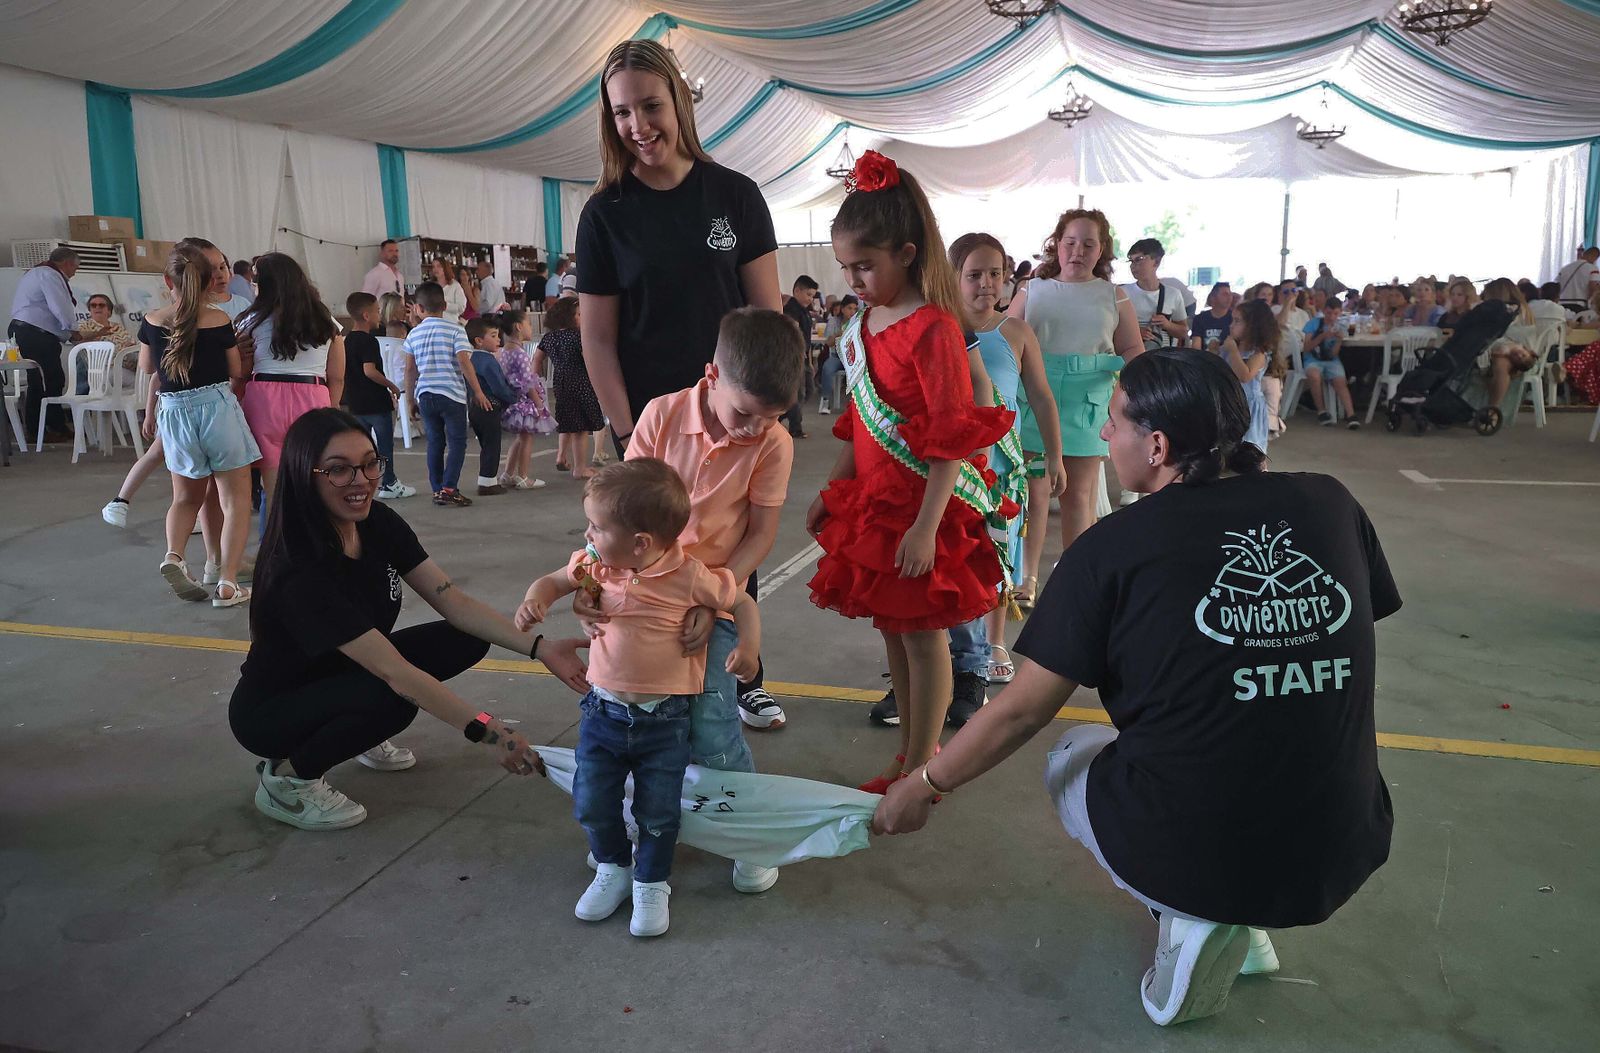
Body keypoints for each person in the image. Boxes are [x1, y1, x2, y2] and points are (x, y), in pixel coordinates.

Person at [872, 348, 1401, 1028]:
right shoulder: (1331, 502)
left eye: (1115, 421)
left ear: (1157, 445)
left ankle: (1189, 916)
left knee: (1073, 752)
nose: (1103, 435)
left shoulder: (1109, 548)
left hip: (1202, 842)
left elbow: (1020, 711)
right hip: (1344, 835)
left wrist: (925, 783)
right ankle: (1247, 925)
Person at [230, 407, 589, 830]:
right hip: (275, 709)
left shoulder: (375, 522)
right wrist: (491, 732)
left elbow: (452, 601)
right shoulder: (298, 568)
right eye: (338, 470)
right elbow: (396, 673)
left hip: (342, 670)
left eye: (368, 464)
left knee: (465, 638)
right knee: (394, 699)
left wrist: (541, 648)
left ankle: (355, 732)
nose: (361, 480)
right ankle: (288, 779)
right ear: (304, 475)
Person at [806, 151, 1014, 792]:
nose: (855, 279)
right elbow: (861, 425)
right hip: (875, 500)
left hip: (922, 507)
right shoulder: (866, 324)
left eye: (865, 265)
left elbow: (950, 438)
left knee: (925, 638)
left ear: (906, 251)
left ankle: (923, 767)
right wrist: (834, 489)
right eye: (845, 268)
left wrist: (926, 527)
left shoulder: (934, 329)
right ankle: (906, 754)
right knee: (894, 635)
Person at [574, 307, 799, 891]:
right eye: (745, 413)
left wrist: (715, 602)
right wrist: (594, 585)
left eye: (771, 418)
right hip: (642, 591)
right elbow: (620, 512)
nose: (755, 429)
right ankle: (622, 825)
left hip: (713, 593)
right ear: (711, 374)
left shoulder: (772, 441)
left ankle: (746, 833)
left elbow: (760, 534)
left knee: (713, 725)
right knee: (622, 715)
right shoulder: (662, 414)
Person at [517, 458, 761, 937]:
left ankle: (652, 882)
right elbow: (552, 581)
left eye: (596, 526)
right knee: (592, 801)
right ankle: (613, 866)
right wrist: (536, 599)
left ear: (641, 543)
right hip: (603, 712)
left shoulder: (690, 576)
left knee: (657, 810)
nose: (587, 534)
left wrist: (747, 648)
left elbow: (743, 602)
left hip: (664, 721)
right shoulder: (596, 563)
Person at [576, 38, 781, 456]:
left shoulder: (736, 195)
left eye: (651, 106)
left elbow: (767, 319)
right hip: (651, 429)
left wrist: (761, 409)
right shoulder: (603, 214)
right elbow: (597, 340)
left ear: (679, 102)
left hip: (734, 421)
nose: (639, 126)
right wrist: (626, 433)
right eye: (622, 112)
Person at [1008, 208, 1142, 609]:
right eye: (1070, 242)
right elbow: (1006, 337)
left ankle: (1074, 581)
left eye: (1088, 243)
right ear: (1056, 243)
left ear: (1102, 249)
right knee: (1033, 492)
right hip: (1033, 395)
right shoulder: (1032, 289)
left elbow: (1131, 347)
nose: (1078, 251)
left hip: (1089, 401)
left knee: (1078, 496)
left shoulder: (1114, 294)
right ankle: (1025, 579)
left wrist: (1137, 390)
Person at [951, 231, 1065, 691]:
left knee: (997, 553)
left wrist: (1054, 454)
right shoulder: (941, 326)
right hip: (953, 469)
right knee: (954, 555)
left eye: (995, 274)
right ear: (953, 277)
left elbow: (1040, 395)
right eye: (974, 274)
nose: (986, 284)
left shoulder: (1014, 331)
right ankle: (952, 641)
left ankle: (994, 640)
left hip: (1003, 470)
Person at [137, 245, 259, 608]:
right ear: (208, 282)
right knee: (235, 499)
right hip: (216, 409)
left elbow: (147, 369)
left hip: (174, 412)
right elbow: (235, 370)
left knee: (185, 497)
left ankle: (174, 556)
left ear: (166, 281)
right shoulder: (219, 320)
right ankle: (226, 582)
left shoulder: (153, 320)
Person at [238, 252, 345, 518]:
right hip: (313, 397)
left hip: (263, 399)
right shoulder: (325, 321)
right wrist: (332, 407)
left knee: (273, 488)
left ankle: (275, 550)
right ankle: (314, 547)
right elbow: (337, 375)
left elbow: (240, 371)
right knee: (313, 480)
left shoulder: (250, 320)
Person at [403, 281, 491, 506]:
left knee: (435, 442)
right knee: (457, 442)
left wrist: (410, 399)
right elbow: (464, 361)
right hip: (451, 395)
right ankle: (450, 488)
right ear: (444, 305)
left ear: (419, 309)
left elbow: (410, 369)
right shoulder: (455, 329)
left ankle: (437, 489)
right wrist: (478, 391)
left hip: (426, 396)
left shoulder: (413, 334)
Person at [343, 292, 413, 501]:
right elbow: (369, 370)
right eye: (377, 311)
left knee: (362, 448)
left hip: (355, 403)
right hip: (375, 402)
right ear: (366, 315)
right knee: (384, 446)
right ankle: (389, 482)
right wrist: (391, 385)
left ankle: (360, 482)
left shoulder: (346, 340)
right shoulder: (369, 341)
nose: (379, 315)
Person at [8, 246, 81, 441]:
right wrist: (74, 331)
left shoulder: (38, 272)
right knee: (44, 380)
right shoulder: (49, 275)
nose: (74, 273)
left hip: (30, 331)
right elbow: (60, 306)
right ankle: (39, 430)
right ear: (67, 264)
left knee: (51, 378)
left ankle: (54, 425)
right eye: (75, 268)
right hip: (34, 333)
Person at [535, 297, 604, 478]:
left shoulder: (549, 337)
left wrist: (536, 379)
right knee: (580, 428)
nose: (582, 318)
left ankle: (561, 456)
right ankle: (580, 468)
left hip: (560, 383)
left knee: (566, 420)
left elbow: (537, 359)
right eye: (579, 314)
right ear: (569, 317)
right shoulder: (578, 337)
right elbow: (588, 361)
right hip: (581, 382)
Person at [495, 309, 553, 490]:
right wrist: (539, 403)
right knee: (527, 438)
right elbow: (528, 382)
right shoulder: (520, 353)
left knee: (520, 438)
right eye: (528, 323)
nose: (530, 327)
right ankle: (523, 476)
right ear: (519, 327)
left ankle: (508, 474)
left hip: (512, 401)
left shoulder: (505, 350)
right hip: (523, 403)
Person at [463, 317, 516, 497]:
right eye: (493, 335)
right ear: (479, 340)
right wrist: (513, 397)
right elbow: (498, 387)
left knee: (486, 445)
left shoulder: (471, 360)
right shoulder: (488, 361)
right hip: (489, 407)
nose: (498, 339)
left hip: (474, 408)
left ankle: (486, 479)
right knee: (492, 445)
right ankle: (487, 482)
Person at [1218, 299, 1277, 454]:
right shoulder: (1230, 348)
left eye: (1237, 321)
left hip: (1248, 405)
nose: (1231, 325)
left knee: (1250, 447)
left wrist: (1232, 352)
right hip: (1230, 401)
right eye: (1232, 320)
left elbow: (1245, 375)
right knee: (1228, 443)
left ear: (1252, 326)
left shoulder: (1258, 353)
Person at [1479, 278, 1539, 408]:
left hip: (1513, 348)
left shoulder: (1513, 311)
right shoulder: (1524, 309)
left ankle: (1493, 407)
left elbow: (1500, 333)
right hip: (1515, 348)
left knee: (1501, 365)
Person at [1121, 239, 1188, 352]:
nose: (1133, 266)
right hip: (1132, 360)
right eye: (1131, 261)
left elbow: (1183, 332)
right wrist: (1135, 333)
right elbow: (1109, 329)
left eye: (1139, 259)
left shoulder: (1173, 294)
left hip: (1164, 361)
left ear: (1156, 262)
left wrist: (1167, 325)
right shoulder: (1122, 293)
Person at [1301, 299, 1360, 428]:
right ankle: (1321, 411)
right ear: (1324, 311)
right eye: (1329, 313)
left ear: (1340, 313)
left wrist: (1339, 341)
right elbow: (1306, 348)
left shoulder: (1340, 326)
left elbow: (1333, 354)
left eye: (1335, 314)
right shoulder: (1313, 323)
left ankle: (1351, 414)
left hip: (1330, 360)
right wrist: (1322, 336)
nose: (1332, 317)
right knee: (1314, 376)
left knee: (1340, 381)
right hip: (1313, 358)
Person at [780, 275, 819, 438]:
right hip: (793, 358)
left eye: (812, 296)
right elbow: (792, 333)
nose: (810, 299)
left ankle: (778, 417)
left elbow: (808, 339)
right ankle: (795, 428)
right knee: (798, 394)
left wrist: (809, 362)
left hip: (804, 357)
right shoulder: (791, 309)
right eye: (808, 294)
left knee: (810, 390)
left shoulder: (805, 312)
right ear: (797, 291)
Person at [816, 295, 858, 414]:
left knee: (862, 371)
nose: (852, 312)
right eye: (849, 308)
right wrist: (839, 334)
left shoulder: (858, 322)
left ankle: (857, 405)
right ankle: (825, 401)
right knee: (827, 368)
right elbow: (828, 343)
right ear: (842, 308)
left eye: (855, 309)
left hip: (852, 358)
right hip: (836, 356)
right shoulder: (834, 321)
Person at [1187, 283, 1233, 352]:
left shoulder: (1234, 318)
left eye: (1230, 294)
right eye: (1225, 294)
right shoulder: (1200, 319)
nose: (1229, 297)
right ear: (1213, 297)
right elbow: (1196, 347)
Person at [427, 258, 468, 323]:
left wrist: (446, 305)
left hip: (451, 323)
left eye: (439, 266)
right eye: (433, 267)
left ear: (445, 268)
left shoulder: (455, 285)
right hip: (435, 324)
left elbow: (461, 307)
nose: (435, 269)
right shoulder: (429, 286)